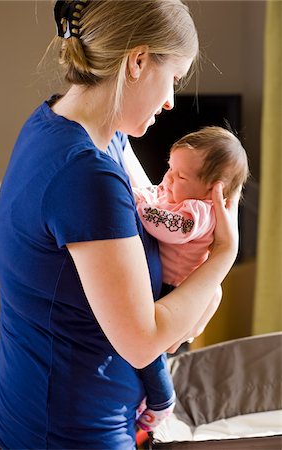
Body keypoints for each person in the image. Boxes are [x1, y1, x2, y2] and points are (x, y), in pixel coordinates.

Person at [0, 1, 241, 449]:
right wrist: (223, 254)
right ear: (138, 61)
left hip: (37, 399)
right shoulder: (87, 173)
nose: (170, 102)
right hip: (70, 429)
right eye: (174, 80)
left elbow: (153, 210)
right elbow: (145, 342)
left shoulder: (75, 127)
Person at [134, 126, 249, 431]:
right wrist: (149, 195)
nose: (168, 178)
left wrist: (137, 204)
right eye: (170, 168)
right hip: (172, 289)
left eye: (181, 176)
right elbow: (157, 194)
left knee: (150, 351)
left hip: (176, 290)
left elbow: (165, 225)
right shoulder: (179, 195)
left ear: (213, 189)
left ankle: (161, 399)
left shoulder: (199, 212)